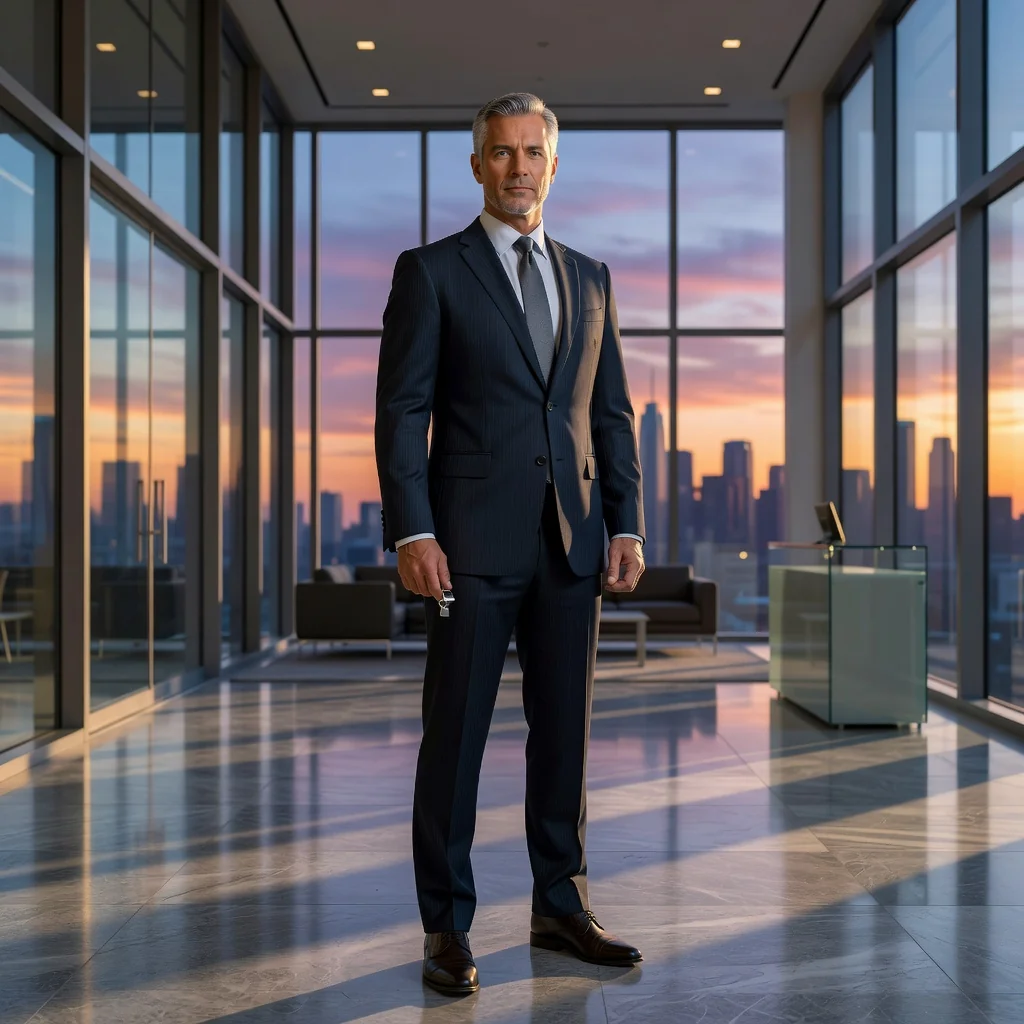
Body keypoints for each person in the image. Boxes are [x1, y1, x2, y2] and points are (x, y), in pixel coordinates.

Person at [375, 92, 645, 997]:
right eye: (501, 152)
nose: (518, 167)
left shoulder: (592, 276)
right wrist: (413, 528)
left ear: (554, 165)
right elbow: (402, 409)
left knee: (563, 733)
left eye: (533, 152)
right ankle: (446, 926)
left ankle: (558, 902)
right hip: (467, 545)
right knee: (455, 737)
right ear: (478, 165)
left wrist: (627, 520)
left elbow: (610, 414)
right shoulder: (432, 272)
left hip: (571, 544)